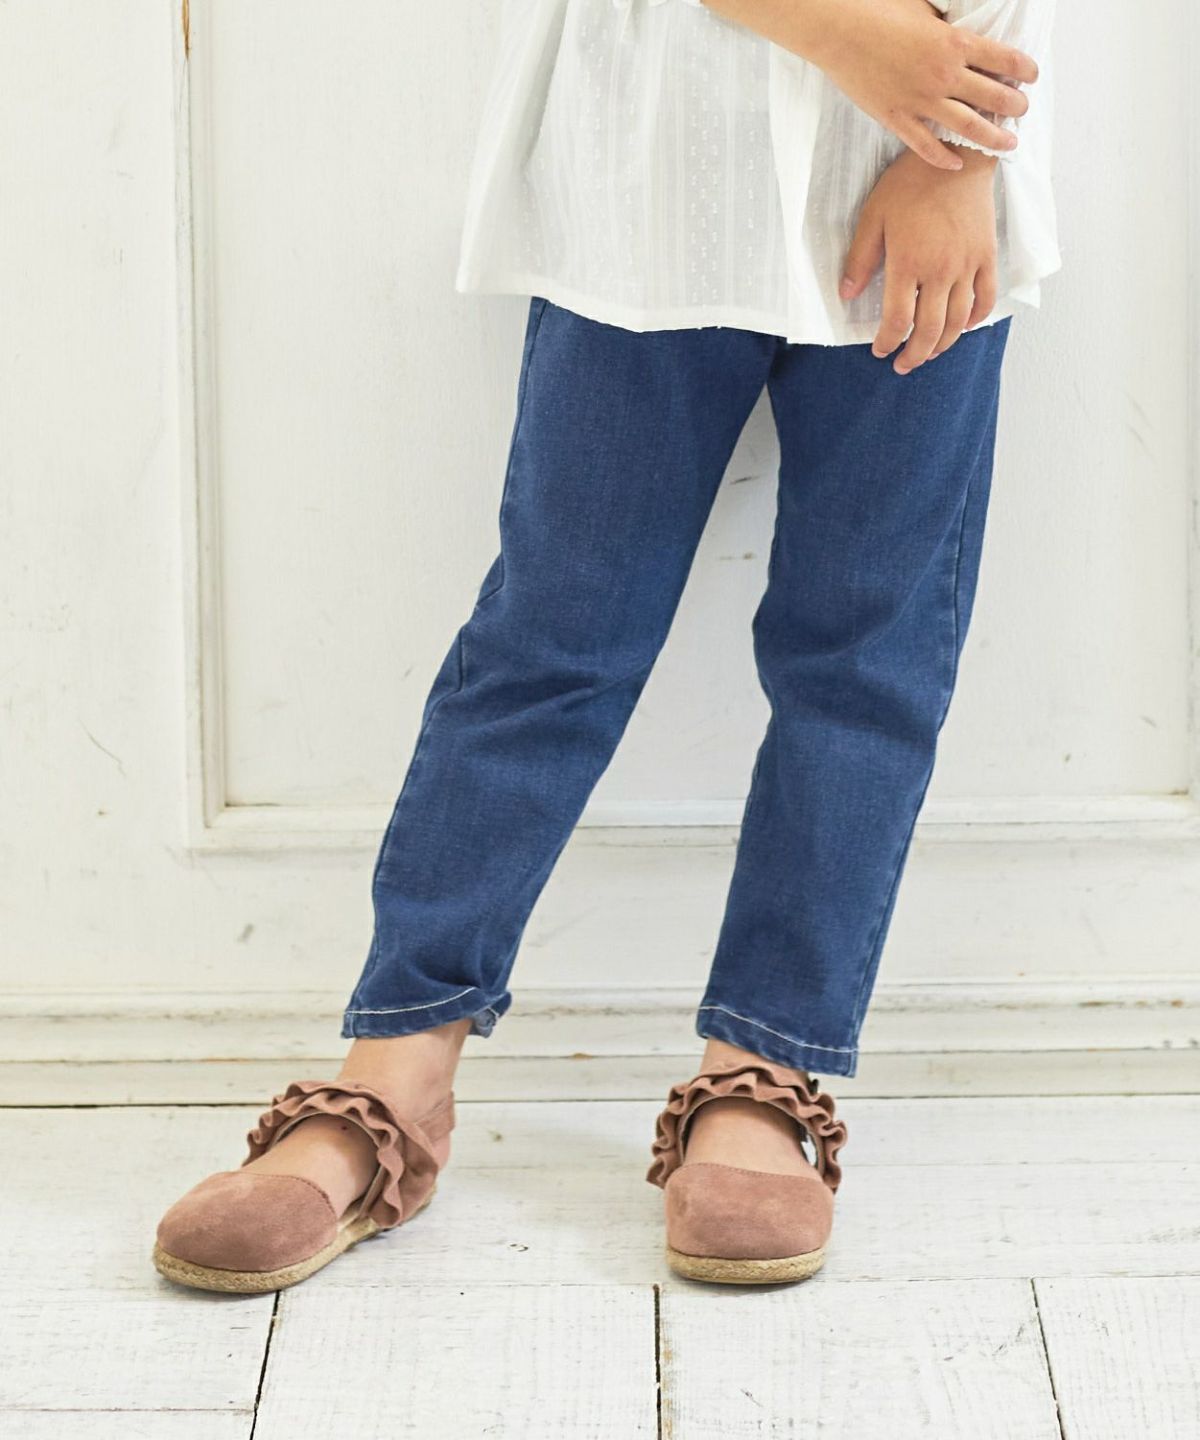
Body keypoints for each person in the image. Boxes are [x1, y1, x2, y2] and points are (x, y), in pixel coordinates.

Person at [153, 0, 1060, 1292]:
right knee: (552, 638)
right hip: (653, 171)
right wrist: (854, 38)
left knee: (864, 654)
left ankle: (766, 1069)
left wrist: (954, 151)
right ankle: (398, 1068)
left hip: (931, 173)